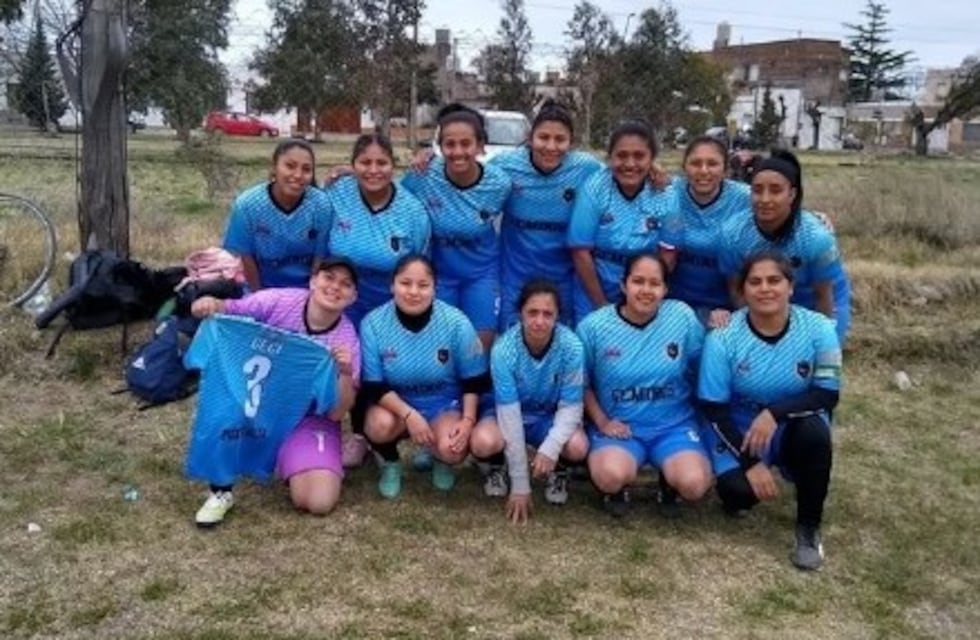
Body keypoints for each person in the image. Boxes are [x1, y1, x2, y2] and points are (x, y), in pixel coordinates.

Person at [189, 257, 360, 527]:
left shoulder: (346, 339)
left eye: (346, 284)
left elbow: (338, 413)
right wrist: (210, 304)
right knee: (227, 407)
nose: (335, 287)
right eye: (329, 278)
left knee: (318, 502)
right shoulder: (280, 300)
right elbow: (232, 309)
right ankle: (220, 491)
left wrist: (346, 372)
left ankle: (286, 454)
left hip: (307, 418)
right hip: (260, 403)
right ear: (313, 281)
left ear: (353, 297)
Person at [698, 252, 841, 570]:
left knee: (816, 435)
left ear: (790, 287)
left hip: (788, 421)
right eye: (755, 282)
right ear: (743, 290)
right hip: (740, 424)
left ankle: (808, 530)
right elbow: (713, 408)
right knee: (737, 493)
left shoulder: (818, 327)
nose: (765, 289)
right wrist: (750, 464)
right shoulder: (723, 336)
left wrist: (775, 413)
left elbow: (827, 395)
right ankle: (754, 473)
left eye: (774, 280)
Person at [577, 253, 712, 518]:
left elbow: (700, 367)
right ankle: (617, 489)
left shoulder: (681, 317)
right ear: (623, 284)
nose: (646, 290)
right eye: (638, 281)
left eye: (654, 283)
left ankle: (669, 482)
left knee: (694, 485)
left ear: (665, 289)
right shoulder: (594, 326)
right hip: (622, 427)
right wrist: (603, 422)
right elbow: (580, 383)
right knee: (609, 476)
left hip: (674, 425)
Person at [358, 255, 494, 499]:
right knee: (378, 426)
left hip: (442, 404)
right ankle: (390, 462)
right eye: (405, 283)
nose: (413, 292)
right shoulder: (372, 324)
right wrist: (409, 415)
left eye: (423, 285)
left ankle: (439, 458)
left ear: (435, 288)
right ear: (392, 285)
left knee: (452, 449)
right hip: (396, 406)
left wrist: (468, 421)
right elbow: (373, 385)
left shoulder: (456, 322)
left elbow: (473, 379)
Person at [470, 279, 589, 524]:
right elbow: (510, 415)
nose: (539, 321)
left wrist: (551, 447)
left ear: (558, 317)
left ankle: (559, 471)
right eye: (532, 312)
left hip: (548, 416)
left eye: (548, 314)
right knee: (482, 442)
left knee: (577, 446)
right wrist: (521, 486)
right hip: (511, 415)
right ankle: (497, 466)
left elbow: (571, 407)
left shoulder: (572, 347)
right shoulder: (503, 350)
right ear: (520, 313)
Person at [401, 103, 512, 351]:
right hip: (439, 274)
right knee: (440, 344)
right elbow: (387, 193)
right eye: (450, 144)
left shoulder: (499, 184)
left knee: (478, 346)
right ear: (439, 147)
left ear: (481, 146)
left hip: (482, 273)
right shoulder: (425, 174)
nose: (458, 151)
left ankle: (474, 390)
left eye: (466, 144)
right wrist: (348, 173)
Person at [491, 100, 603, 330]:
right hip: (516, 274)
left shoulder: (587, 168)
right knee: (515, 339)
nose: (551, 146)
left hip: (563, 275)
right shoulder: (504, 165)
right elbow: (468, 175)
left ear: (571, 143)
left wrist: (653, 170)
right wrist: (429, 160)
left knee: (561, 341)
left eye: (560, 139)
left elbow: (621, 175)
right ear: (530, 137)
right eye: (543, 137)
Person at [719, 149, 851, 343]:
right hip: (765, 301)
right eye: (757, 190)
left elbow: (824, 297)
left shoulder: (816, 237)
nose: (765, 199)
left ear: (792, 194)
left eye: (775, 190)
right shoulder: (733, 234)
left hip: (816, 302)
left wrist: (822, 341)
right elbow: (737, 292)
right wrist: (755, 334)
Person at [567, 120, 683, 324]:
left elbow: (669, 252)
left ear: (652, 159)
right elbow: (580, 251)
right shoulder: (594, 188)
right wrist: (601, 304)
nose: (630, 164)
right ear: (610, 157)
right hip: (594, 287)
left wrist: (642, 298)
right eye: (621, 156)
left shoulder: (666, 193)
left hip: (642, 290)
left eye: (639, 156)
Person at [322, 133, 431, 328]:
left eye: (382, 163)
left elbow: (417, 265)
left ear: (393, 166)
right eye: (365, 162)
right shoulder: (335, 191)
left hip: (389, 305)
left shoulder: (412, 211)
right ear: (353, 165)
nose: (373, 170)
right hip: (338, 298)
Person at [223, 139, 330, 290]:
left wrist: (311, 297)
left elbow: (320, 258)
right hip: (260, 287)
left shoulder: (321, 204)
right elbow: (245, 256)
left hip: (305, 290)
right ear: (274, 168)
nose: (298, 175)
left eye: (306, 169)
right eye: (290, 166)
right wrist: (259, 299)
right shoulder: (248, 204)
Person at [667, 136, 751, 327]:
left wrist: (815, 216)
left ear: (725, 169)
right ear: (684, 167)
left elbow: (776, 207)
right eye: (696, 163)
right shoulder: (669, 191)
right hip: (673, 304)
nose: (703, 171)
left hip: (726, 306)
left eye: (712, 163)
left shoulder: (744, 198)